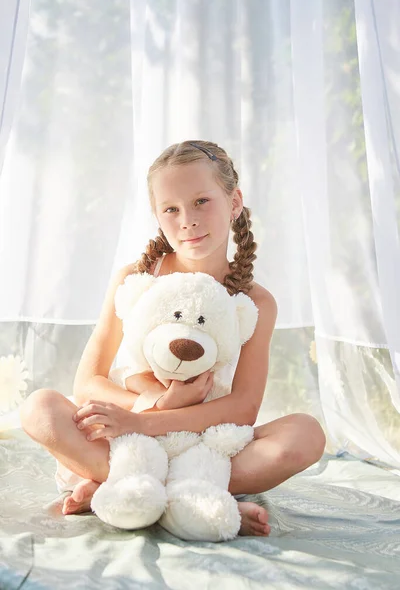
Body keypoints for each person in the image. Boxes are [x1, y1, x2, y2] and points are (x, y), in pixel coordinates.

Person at [20, 140, 326, 537]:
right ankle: (193, 498)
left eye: (202, 201)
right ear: (157, 216)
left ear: (234, 202)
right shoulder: (135, 278)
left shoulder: (255, 302)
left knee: (306, 434)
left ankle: (129, 488)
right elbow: (88, 383)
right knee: (39, 408)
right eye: (172, 209)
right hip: (126, 437)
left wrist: (151, 422)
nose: (188, 220)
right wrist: (151, 407)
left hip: (205, 442)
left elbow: (244, 407)